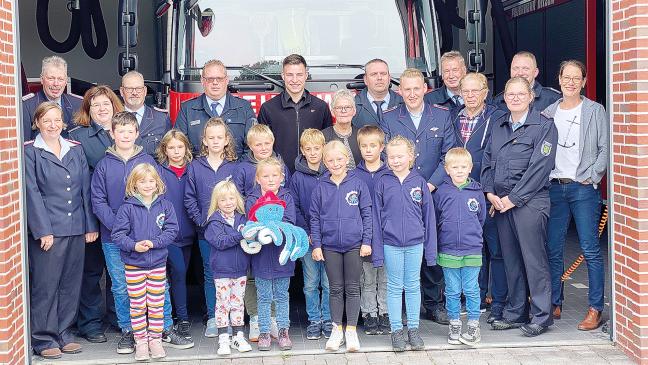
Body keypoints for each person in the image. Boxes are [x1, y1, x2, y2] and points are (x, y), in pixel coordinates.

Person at [481, 76, 558, 337]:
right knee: (512, 260)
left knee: (534, 260)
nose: (514, 98)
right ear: (504, 97)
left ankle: (541, 316)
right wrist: (490, 193)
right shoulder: (499, 124)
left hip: (530, 203)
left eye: (519, 94)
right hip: (501, 203)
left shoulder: (544, 126)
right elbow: (488, 161)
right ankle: (516, 313)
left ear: (530, 96)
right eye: (509, 94)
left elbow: (540, 168)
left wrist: (513, 198)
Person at [379, 68, 456, 324]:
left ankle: (434, 304)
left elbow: (449, 155)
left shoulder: (443, 116)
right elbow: (384, 156)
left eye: (416, 88)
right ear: (399, 91)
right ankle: (404, 308)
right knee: (403, 247)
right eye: (406, 89)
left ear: (426, 89)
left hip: (432, 193)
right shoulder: (389, 118)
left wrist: (430, 186)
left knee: (432, 247)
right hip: (400, 195)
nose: (411, 94)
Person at [24, 102, 98, 359]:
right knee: (46, 285)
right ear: (37, 123)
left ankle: (65, 333)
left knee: (70, 284)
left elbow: (84, 190)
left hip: (76, 227)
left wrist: (89, 225)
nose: (53, 125)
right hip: (49, 231)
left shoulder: (73, 149)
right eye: (47, 121)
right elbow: (31, 194)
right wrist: (42, 230)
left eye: (57, 120)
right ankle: (44, 338)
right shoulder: (31, 152)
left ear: (64, 123)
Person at [543, 60, 609, 331]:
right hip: (555, 188)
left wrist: (592, 176)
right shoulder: (548, 112)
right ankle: (555, 302)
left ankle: (595, 308)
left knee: (591, 249)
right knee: (553, 248)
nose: (570, 82)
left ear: (584, 81)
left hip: (583, 189)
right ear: (558, 80)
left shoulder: (594, 110)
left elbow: (605, 148)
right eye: (566, 77)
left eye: (576, 78)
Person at [90, 112, 159, 354]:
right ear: (112, 134)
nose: (126, 135)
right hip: (114, 238)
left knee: (152, 284)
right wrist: (119, 227)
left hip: (145, 236)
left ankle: (155, 331)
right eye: (121, 131)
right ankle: (128, 330)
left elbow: (159, 196)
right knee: (121, 285)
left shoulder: (148, 161)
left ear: (137, 133)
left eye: (130, 131)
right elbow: (98, 201)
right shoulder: (104, 165)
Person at [68, 85, 123, 343]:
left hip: (120, 217)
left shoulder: (124, 132)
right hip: (90, 214)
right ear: (88, 109)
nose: (102, 109)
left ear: (114, 106)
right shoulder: (77, 137)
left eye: (106, 104)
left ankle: (116, 317)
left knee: (118, 272)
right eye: (96, 105)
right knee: (91, 272)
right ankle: (90, 324)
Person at [452, 73, 508, 323]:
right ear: (460, 93)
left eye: (476, 91)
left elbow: (500, 157)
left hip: (487, 193)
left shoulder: (497, 117)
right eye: (466, 91)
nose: (471, 95)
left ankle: (498, 302)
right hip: (461, 194)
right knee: (473, 249)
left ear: (486, 92)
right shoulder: (453, 117)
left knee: (495, 250)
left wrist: (492, 191)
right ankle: (477, 297)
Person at [372, 136, 436, 352]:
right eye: (392, 157)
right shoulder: (382, 182)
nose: (396, 160)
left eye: (400, 156)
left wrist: (431, 251)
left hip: (415, 243)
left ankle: (414, 330)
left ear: (411, 156)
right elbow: (376, 217)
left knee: (412, 285)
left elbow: (429, 218)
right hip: (391, 243)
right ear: (386, 159)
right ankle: (396, 330)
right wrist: (378, 251)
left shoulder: (419, 182)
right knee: (394, 286)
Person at [111, 163, 179, 361]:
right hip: (134, 265)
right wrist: (133, 246)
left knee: (157, 304)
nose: (147, 185)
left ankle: (155, 340)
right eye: (142, 181)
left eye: (151, 181)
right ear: (134, 184)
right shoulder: (127, 208)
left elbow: (171, 230)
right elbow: (118, 235)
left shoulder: (165, 206)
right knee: (138, 305)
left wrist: (155, 243)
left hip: (157, 263)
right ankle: (141, 341)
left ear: (157, 183)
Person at [310, 141, 373, 352]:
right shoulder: (320, 187)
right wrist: (317, 245)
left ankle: (352, 331)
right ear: (324, 162)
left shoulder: (358, 184)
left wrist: (367, 241)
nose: (335, 163)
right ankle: (337, 330)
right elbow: (315, 218)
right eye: (330, 160)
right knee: (335, 288)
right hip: (330, 246)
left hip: (355, 244)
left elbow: (367, 214)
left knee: (353, 288)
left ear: (347, 159)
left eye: (339, 159)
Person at [184, 117, 239, 337]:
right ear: (204, 141)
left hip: (232, 232)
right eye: (211, 138)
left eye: (220, 137)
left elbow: (241, 196)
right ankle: (214, 318)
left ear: (226, 140)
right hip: (207, 232)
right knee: (211, 273)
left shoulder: (235, 165)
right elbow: (189, 198)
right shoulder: (196, 166)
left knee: (234, 273)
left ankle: (235, 317)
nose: (215, 141)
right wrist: (201, 221)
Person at [434, 147, 486, 346]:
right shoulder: (442, 192)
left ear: (470, 168)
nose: (459, 170)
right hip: (448, 249)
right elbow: (437, 218)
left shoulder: (477, 192)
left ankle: (473, 325)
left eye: (463, 167)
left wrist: (472, 236)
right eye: (454, 167)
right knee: (452, 290)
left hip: (472, 249)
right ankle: (454, 324)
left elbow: (480, 218)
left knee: (472, 289)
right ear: (447, 169)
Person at [245, 158, 297, 351]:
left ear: (282, 177)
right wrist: (265, 230)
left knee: (282, 295)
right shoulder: (252, 199)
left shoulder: (287, 197)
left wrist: (272, 228)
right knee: (264, 296)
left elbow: (290, 220)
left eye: (275, 175)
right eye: (266, 176)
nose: (271, 179)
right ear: (258, 179)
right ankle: (264, 332)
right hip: (261, 258)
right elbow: (251, 225)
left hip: (283, 256)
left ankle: (283, 331)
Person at [288, 129, 332, 340]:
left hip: (331, 239)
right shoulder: (297, 177)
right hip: (308, 239)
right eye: (308, 149)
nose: (313, 153)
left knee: (329, 282)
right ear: (302, 151)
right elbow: (294, 207)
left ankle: (328, 319)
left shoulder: (332, 172)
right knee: (310, 282)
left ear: (324, 148)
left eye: (317, 148)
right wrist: (307, 232)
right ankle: (314, 320)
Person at [258, 54, 333, 172]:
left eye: (299, 74)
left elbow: (328, 144)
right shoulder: (268, 108)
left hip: (314, 176)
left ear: (306, 75)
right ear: (283, 76)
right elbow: (260, 145)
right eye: (289, 75)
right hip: (279, 176)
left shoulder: (321, 107)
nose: (294, 80)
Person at [204, 180, 253, 356]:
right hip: (222, 270)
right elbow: (220, 242)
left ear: (237, 199)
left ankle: (238, 337)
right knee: (223, 304)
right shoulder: (213, 222)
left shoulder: (243, 218)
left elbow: (251, 239)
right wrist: (241, 235)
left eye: (231, 198)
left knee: (238, 303)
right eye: (223, 200)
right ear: (217, 202)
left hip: (240, 269)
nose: (228, 203)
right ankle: (223, 338)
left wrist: (248, 236)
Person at [156, 130, 196, 343]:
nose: (176, 151)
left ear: (186, 148)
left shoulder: (192, 170)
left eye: (180, 147)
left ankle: (178, 318)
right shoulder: (159, 171)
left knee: (180, 275)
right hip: (166, 235)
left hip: (188, 233)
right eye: (171, 147)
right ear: (165, 150)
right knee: (175, 272)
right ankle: (179, 318)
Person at [175, 59, 256, 156]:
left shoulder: (244, 108)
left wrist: (240, 170)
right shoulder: (187, 109)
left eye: (220, 79)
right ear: (202, 81)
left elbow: (253, 147)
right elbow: (179, 147)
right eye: (210, 79)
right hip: (199, 170)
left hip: (237, 168)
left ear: (226, 80)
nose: (215, 83)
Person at [353, 126, 389, 335]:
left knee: (385, 278)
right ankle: (369, 314)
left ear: (381, 147)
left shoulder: (390, 173)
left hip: (386, 237)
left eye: (373, 145)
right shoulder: (355, 176)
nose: (368, 150)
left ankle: (385, 313)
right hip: (364, 237)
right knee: (367, 279)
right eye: (364, 146)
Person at [22, 56, 82, 140]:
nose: (56, 84)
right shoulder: (27, 106)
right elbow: (25, 145)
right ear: (42, 79)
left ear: (65, 81)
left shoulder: (78, 104)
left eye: (60, 79)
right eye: (51, 78)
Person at [120, 71, 171, 156]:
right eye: (129, 89)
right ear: (121, 91)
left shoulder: (161, 119)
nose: (134, 93)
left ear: (145, 91)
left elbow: (169, 155)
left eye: (138, 88)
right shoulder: (113, 118)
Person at [234, 124, 292, 196]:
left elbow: (288, 192)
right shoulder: (242, 169)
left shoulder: (281, 166)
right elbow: (238, 197)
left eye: (267, 143)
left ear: (273, 142)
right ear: (250, 146)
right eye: (258, 145)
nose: (264, 148)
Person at [493, 51, 561, 113]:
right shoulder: (498, 101)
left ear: (535, 72)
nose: (520, 73)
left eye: (525, 69)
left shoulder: (553, 99)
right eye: (516, 68)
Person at [351, 59, 403, 128]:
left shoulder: (404, 103)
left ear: (389, 78)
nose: (379, 78)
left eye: (383, 74)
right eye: (374, 74)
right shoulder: (352, 105)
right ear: (365, 80)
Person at [322, 90, 362, 168]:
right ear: (333, 112)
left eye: (347, 107)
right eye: (339, 108)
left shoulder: (361, 135)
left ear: (354, 111)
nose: (343, 111)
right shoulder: (323, 136)